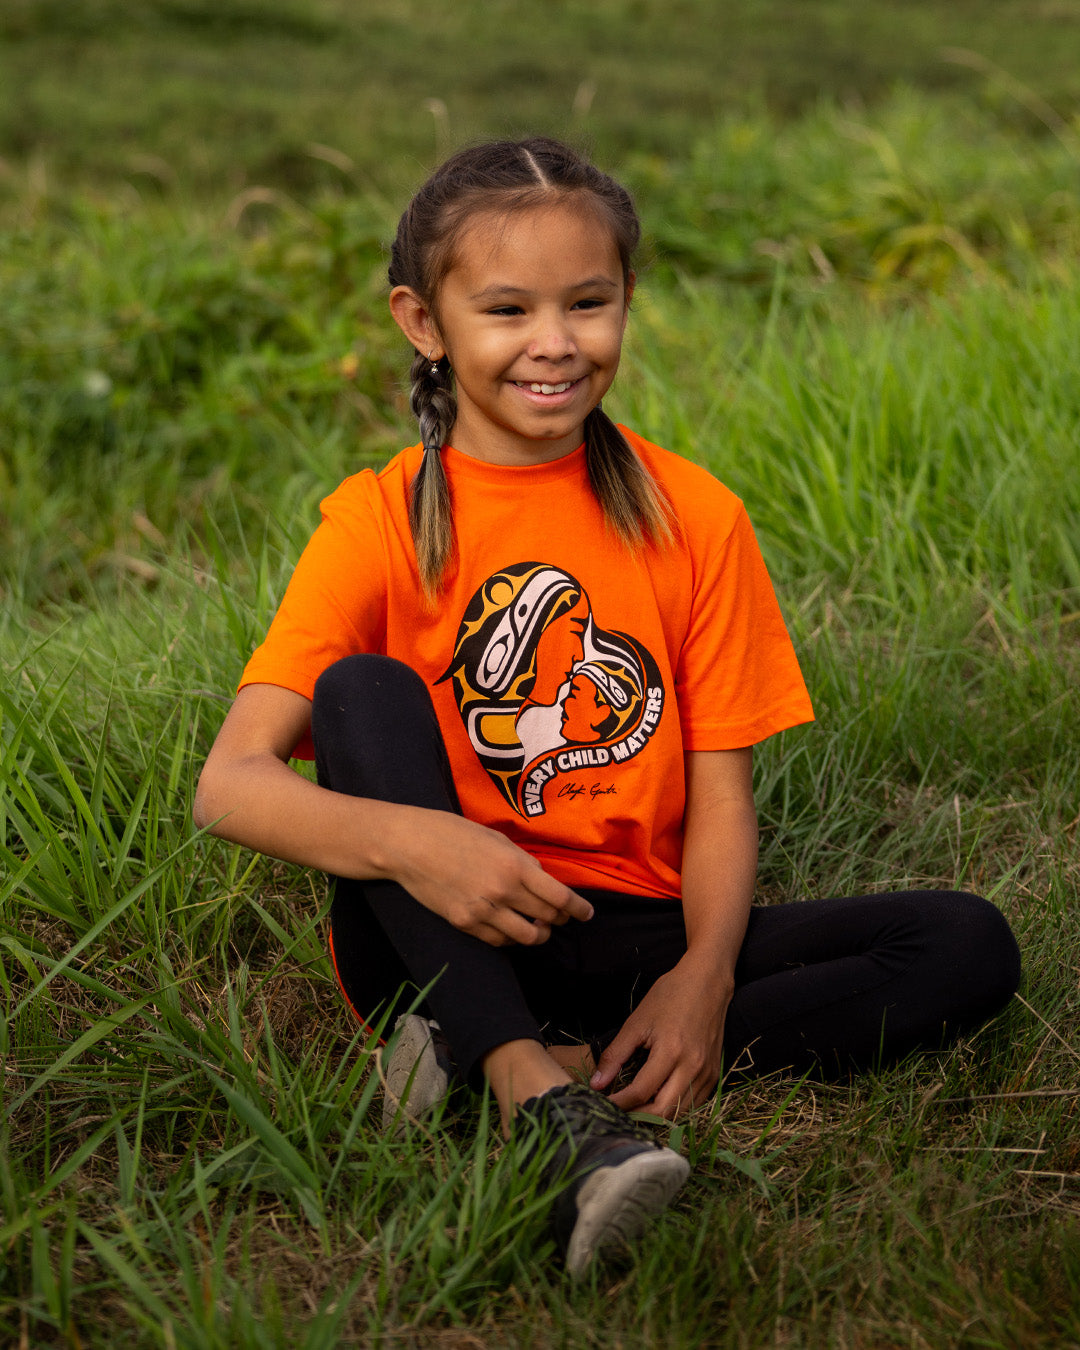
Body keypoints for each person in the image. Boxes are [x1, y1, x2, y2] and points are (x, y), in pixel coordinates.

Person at [194, 137, 1021, 1275]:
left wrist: (703, 980)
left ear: (626, 301)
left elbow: (722, 800)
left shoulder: (696, 516)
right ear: (424, 322)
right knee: (361, 690)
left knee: (963, 941)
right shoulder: (377, 520)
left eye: (588, 302)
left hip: (624, 930)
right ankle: (545, 1108)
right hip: (437, 929)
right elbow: (229, 787)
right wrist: (427, 847)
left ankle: (528, 1062)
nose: (555, 342)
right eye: (507, 308)